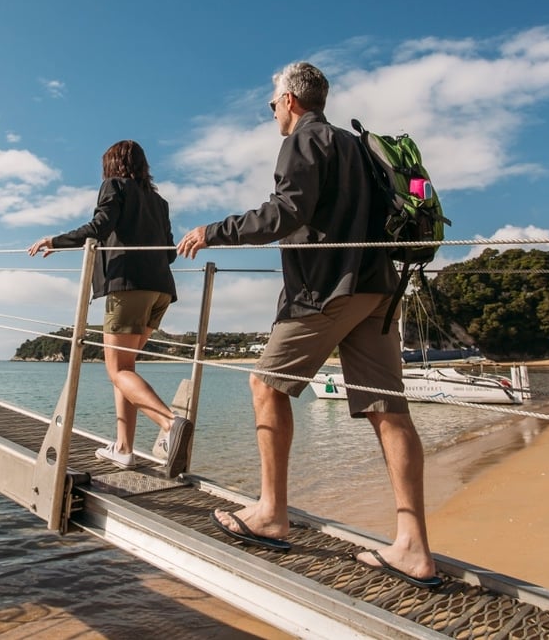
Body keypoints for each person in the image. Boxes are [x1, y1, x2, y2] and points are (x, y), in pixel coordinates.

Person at [177, 62, 441, 589]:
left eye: (273, 103)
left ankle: (271, 511)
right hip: (378, 288)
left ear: (292, 101)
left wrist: (213, 231)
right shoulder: (360, 148)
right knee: (388, 410)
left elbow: (286, 213)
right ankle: (413, 548)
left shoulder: (304, 141)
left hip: (327, 291)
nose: (272, 111)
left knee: (265, 385)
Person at [28, 140, 193, 480]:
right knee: (126, 369)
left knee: (117, 371)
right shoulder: (159, 202)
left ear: (112, 165)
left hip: (128, 286)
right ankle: (123, 448)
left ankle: (170, 424)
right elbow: (170, 253)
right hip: (161, 291)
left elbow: (100, 226)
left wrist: (55, 241)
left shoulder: (114, 185)